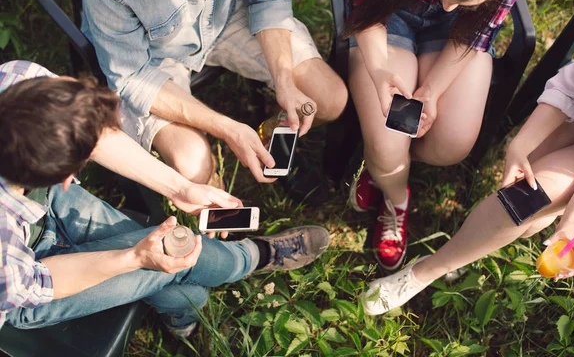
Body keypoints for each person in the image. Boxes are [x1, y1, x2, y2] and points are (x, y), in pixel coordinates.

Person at [0, 61, 330, 336]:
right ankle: (254, 256)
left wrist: (179, 189)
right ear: (65, 178)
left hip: (41, 209)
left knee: (176, 271)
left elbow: (94, 134)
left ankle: (182, 316)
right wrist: (134, 259)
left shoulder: (15, 80)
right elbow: (36, 283)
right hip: (26, 290)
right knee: (176, 261)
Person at [361, 31, 574, 315]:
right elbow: (571, 89)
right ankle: (471, 243)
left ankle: (423, 273)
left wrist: (573, 219)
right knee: (523, 198)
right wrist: (520, 146)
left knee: (526, 203)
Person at [345, 0, 542, 270]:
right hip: (387, 7)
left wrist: (432, 91)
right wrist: (380, 70)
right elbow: (364, 2)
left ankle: (387, 167)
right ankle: (395, 194)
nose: (447, 6)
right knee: (387, 144)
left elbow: (480, 29)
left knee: (451, 144)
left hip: (464, 29)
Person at [81, 0, 347, 186]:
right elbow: (134, 77)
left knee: (328, 99)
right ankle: (212, 188)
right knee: (193, 164)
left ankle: (269, 139)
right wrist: (227, 128)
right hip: (153, 55)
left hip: (226, 14)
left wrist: (285, 80)